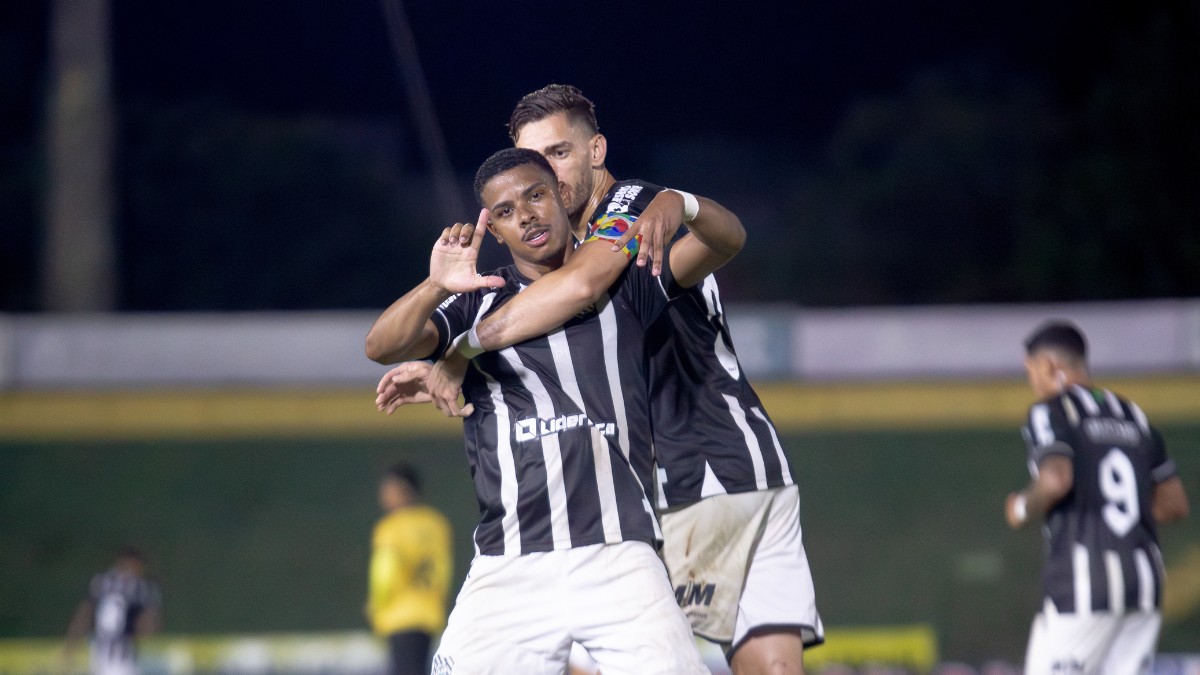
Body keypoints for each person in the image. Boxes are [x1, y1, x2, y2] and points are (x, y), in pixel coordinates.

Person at [378, 84, 823, 674]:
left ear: (597, 150)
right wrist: (449, 325)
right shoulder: (554, 246)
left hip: (710, 466)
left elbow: (580, 287)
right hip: (627, 495)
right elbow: (389, 342)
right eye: (535, 161)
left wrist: (460, 351)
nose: (549, 175)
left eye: (559, 154)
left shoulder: (631, 208)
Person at [1004, 320, 1190, 674]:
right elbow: (1174, 504)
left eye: (1031, 371)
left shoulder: (1051, 411)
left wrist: (1020, 507)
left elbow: (1056, 479)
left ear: (1048, 367)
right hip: (1143, 584)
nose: (1032, 381)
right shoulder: (1133, 415)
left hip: (1084, 582)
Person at [367, 462, 453, 675]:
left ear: (403, 490)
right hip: (429, 614)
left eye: (388, 488)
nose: (383, 494)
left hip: (400, 616)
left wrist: (376, 604)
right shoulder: (437, 524)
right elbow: (444, 570)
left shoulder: (391, 527)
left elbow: (385, 571)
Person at [63, 546, 162, 675]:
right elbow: (146, 630)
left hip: (97, 655)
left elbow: (83, 617)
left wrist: (70, 649)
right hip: (122, 658)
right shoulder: (140, 588)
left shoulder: (100, 582)